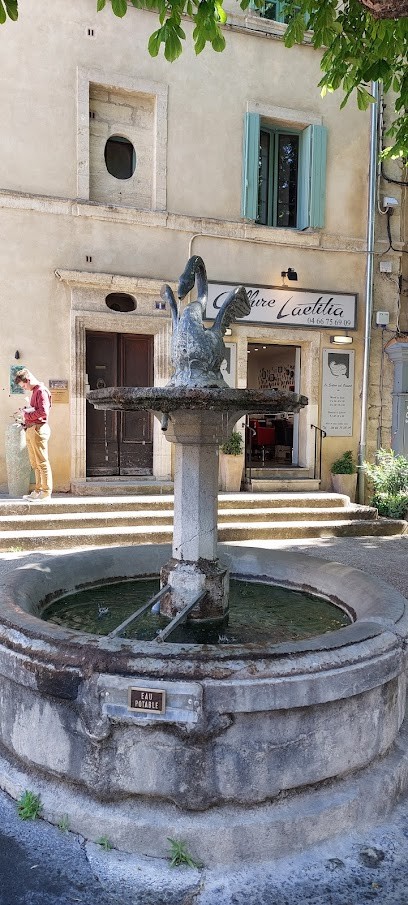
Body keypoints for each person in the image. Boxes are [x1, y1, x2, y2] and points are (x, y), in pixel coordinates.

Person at [14, 368, 53, 501]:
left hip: (38, 429)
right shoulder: (35, 391)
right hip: (32, 428)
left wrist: (26, 414)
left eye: (24, 385)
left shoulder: (41, 391)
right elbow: (37, 410)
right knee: (35, 463)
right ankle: (37, 490)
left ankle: (46, 492)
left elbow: (43, 413)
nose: (24, 388)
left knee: (42, 462)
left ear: (28, 380)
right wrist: (27, 412)